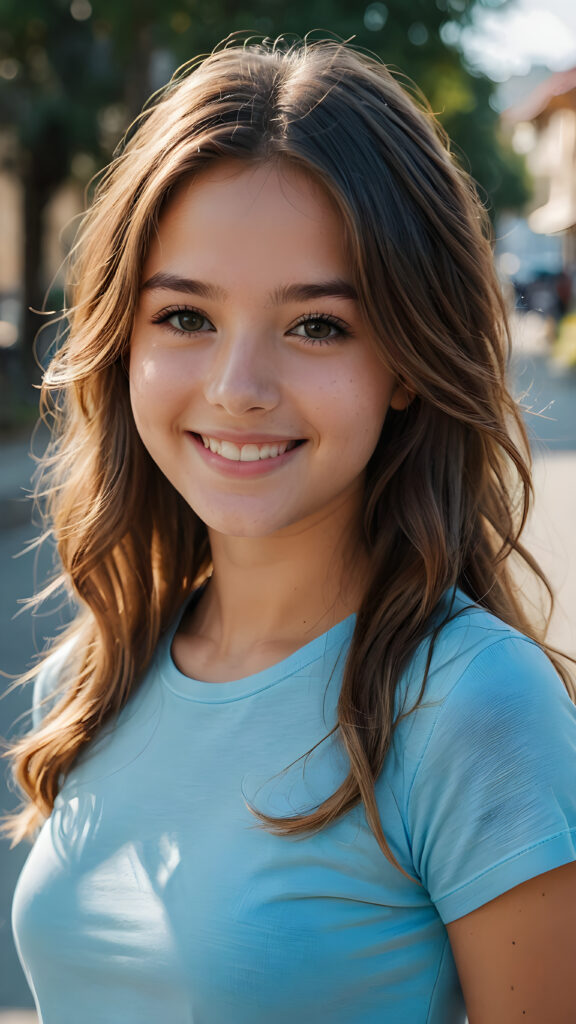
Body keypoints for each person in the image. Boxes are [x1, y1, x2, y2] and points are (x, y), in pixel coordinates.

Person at [5, 35, 576, 1024]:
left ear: (406, 360)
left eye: (317, 325)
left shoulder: (473, 708)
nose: (238, 390)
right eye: (186, 316)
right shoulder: (95, 673)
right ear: (122, 338)